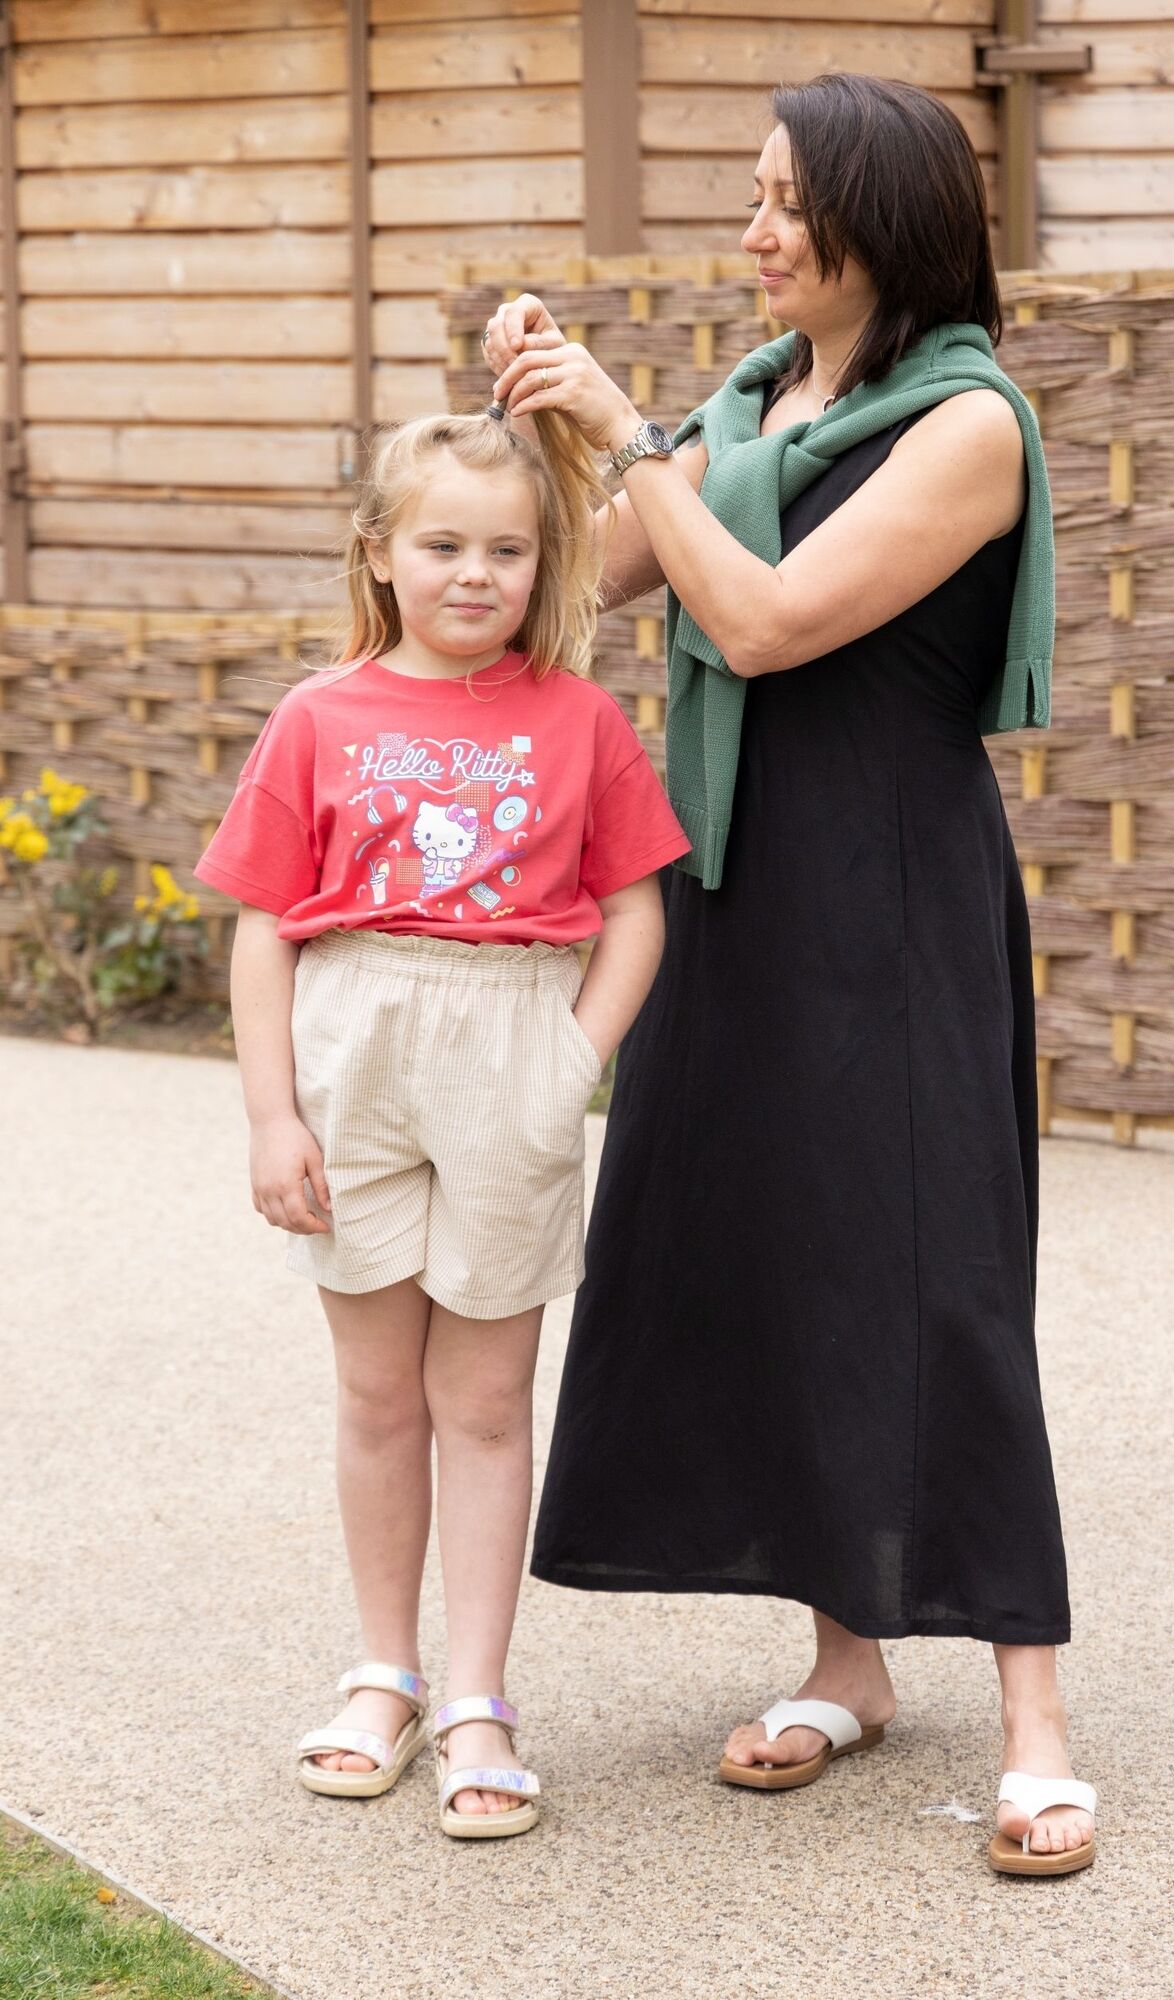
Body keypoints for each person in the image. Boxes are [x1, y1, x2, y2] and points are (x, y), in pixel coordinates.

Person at [483, 72, 1098, 1874]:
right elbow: (592, 581)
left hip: (890, 897)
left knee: (935, 1277)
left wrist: (639, 442)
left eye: (778, 202)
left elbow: (751, 621)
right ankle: (849, 1663)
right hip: (725, 890)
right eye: (747, 198)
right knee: (771, 1258)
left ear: (874, 219)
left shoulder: (964, 422)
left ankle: (1035, 1721)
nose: (749, 232)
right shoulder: (753, 399)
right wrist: (549, 417)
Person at [193, 409, 689, 1839]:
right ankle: (382, 1676)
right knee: (374, 1394)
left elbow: (637, 910)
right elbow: (266, 931)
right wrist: (271, 1114)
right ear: (383, 554)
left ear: (549, 564)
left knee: (480, 1400)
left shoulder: (578, 720)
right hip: (357, 1054)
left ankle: (479, 1697)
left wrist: (566, 1063)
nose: (477, 573)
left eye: (510, 550)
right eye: (444, 544)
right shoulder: (319, 715)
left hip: (510, 1048)